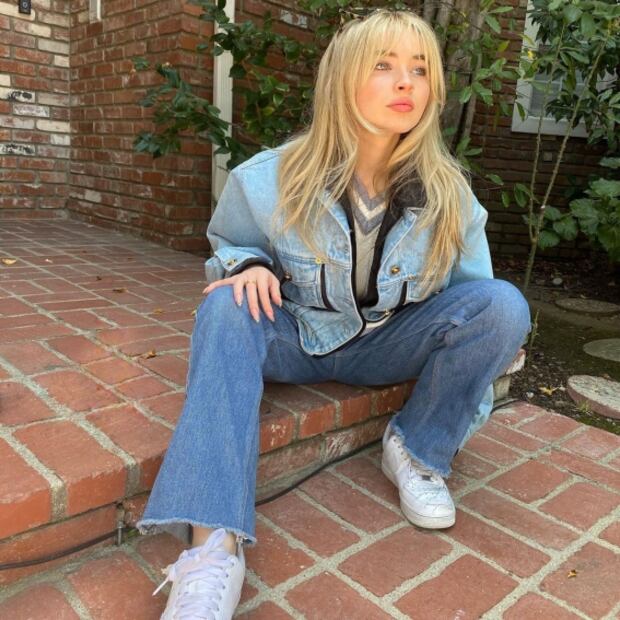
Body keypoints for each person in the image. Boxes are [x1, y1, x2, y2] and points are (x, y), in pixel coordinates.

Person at [138, 8, 531, 619]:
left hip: (387, 343)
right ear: (344, 78)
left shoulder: (449, 195)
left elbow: (474, 304)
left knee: (506, 304)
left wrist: (484, 366)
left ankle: (418, 452)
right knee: (225, 308)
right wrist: (249, 265)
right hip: (295, 335)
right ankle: (212, 548)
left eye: (419, 70)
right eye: (384, 65)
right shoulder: (269, 178)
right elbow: (229, 245)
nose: (406, 83)